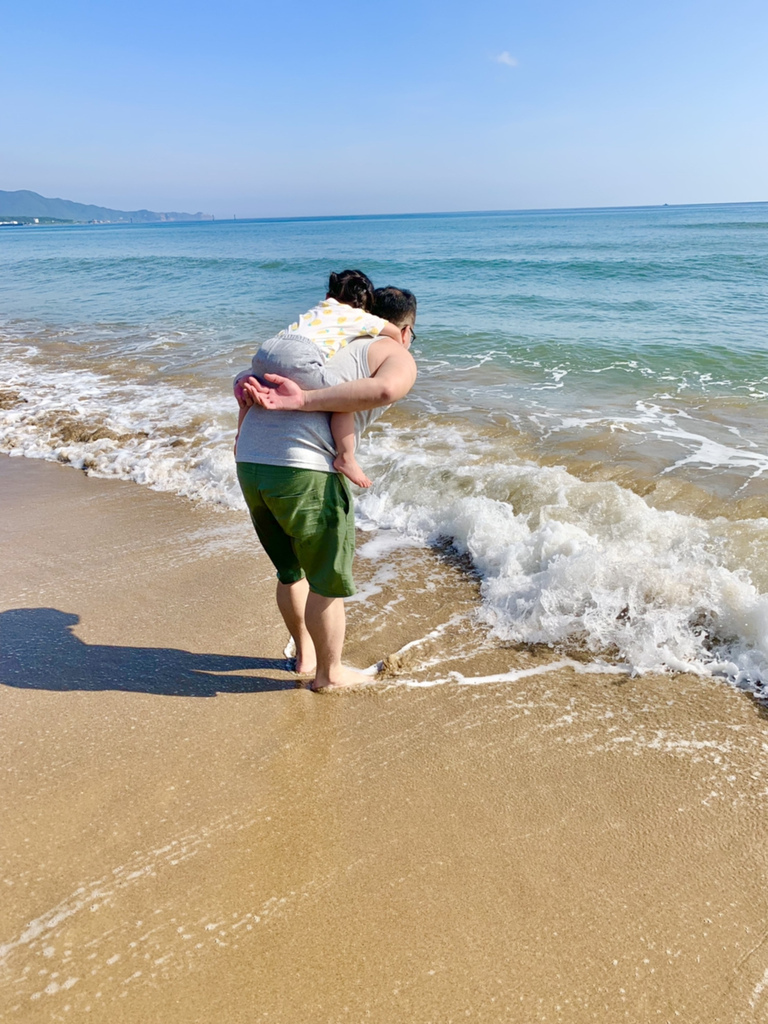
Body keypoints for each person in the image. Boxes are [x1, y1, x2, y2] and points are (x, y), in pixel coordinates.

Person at [234, 285, 417, 691]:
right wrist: (305, 403)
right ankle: (329, 676)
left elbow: (249, 379)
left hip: (251, 462)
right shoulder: (393, 350)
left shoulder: (324, 343)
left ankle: (305, 656)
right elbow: (387, 389)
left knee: (290, 570)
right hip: (303, 469)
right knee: (326, 581)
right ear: (404, 330)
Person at [236, 270, 404, 488]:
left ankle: (241, 437)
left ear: (328, 296)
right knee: (343, 398)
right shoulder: (359, 317)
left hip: (268, 349)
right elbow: (392, 331)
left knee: (253, 391)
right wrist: (398, 347)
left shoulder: (318, 309)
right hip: (299, 354)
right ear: (364, 305)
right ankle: (346, 457)